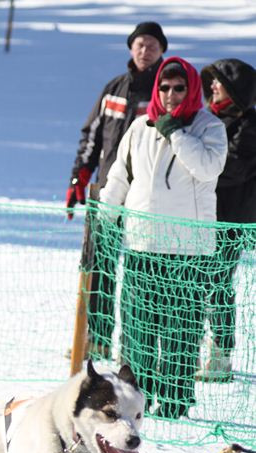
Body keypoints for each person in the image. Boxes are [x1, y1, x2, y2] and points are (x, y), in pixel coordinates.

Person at [99, 57, 228, 418]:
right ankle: (136, 398)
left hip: (186, 248)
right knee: (138, 326)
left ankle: (173, 402)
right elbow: (120, 176)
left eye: (179, 88)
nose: (170, 95)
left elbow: (208, 167)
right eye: (164, 88)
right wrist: (106, 215)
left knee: (179, 329)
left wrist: (175, 131)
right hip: (143, 244)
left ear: (192, 90)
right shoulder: (140, 127)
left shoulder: (209, 127)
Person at [65, 22, 167, 359]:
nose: (145, 50)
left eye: (152, 45)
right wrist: (79, 176)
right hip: (108, 191)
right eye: (139, 44)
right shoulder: (114, 88)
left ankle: (136, 346)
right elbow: (91, 136)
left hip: (146, 198)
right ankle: (96, 338)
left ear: (162, 50)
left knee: (142, 274)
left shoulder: (166, 89)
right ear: (130, 48)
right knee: (100, 267)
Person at [197, 59, 256, 381]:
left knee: (217, 284)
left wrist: (195, 170)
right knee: (192, 283)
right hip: (199, 216)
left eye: (220, 82)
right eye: (212, 82)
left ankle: (221, 355)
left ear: (235, 89)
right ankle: (191, 348)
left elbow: (232, 168)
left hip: (229, 219)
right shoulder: (207, 118)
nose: (213, 87)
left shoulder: (250, 124)